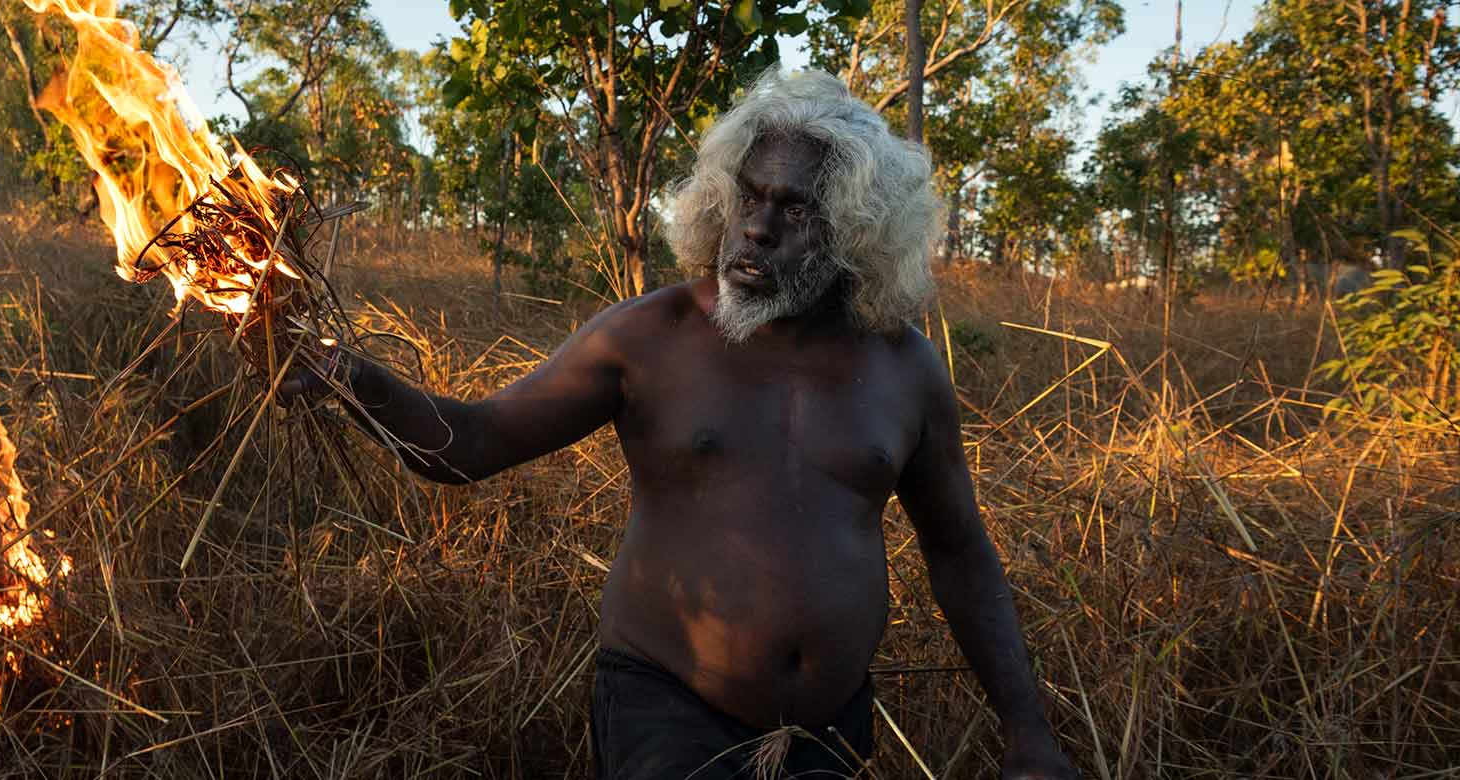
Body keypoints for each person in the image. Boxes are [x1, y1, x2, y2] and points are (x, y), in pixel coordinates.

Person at [278, 70, 1077, 780]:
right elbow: (472, 444)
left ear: (856, 230)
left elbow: (960, 551)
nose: (757, 228)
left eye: (794, 208)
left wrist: (1028, 732)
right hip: (667, 711)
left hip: (830, 732)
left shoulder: (904, 368)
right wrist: (352, 375)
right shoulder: (646, 336)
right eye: (750, 196)